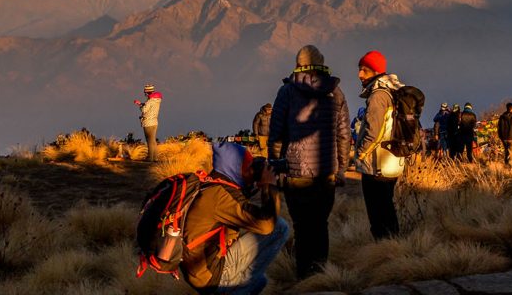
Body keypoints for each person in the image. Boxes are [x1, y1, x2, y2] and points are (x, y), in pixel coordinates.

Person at [267, 45, 351, 279]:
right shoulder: (336, 92)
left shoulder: (287, 92)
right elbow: (344, 135)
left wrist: (275, 166)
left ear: (298, 64)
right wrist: (341, 168)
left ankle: (304, 278)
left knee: (302, 227)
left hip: (296, 174)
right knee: (321, 224)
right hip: (326, 173)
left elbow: (276, 135)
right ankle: (321, 274)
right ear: (321, 63)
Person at [181, 142, 289, 295]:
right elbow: (266, 224)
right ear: (234, 168)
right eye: (247, 167)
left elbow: (240, 208)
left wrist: (252, 184)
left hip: (200, 271)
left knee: (260, 281)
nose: (252, 171)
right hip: (211, 274)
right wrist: (268, 186)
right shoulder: (221, 196)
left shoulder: (211, 184)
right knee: (279, 228)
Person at [354, 50, 407, 239]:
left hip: (377, 163)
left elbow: (373, 131)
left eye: (364, 70)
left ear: (376, 71)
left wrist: (360, 154)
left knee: (377, 211)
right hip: (393, 160)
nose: (360, 74)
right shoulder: (394, 91)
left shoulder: (378, 95)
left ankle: (383, 247)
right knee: (387, 205)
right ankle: (393, 244)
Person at [136, 84, 162, 160]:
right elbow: (149, 107)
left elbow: (144, 110)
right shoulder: (157, 100)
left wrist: (140, 105)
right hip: (154, 122)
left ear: (147, 92)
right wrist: (142, 104)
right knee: (153, 141)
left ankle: (150, 158)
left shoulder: (150, 101)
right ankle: (155, 158)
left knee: (149, 141)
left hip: (148, 122)